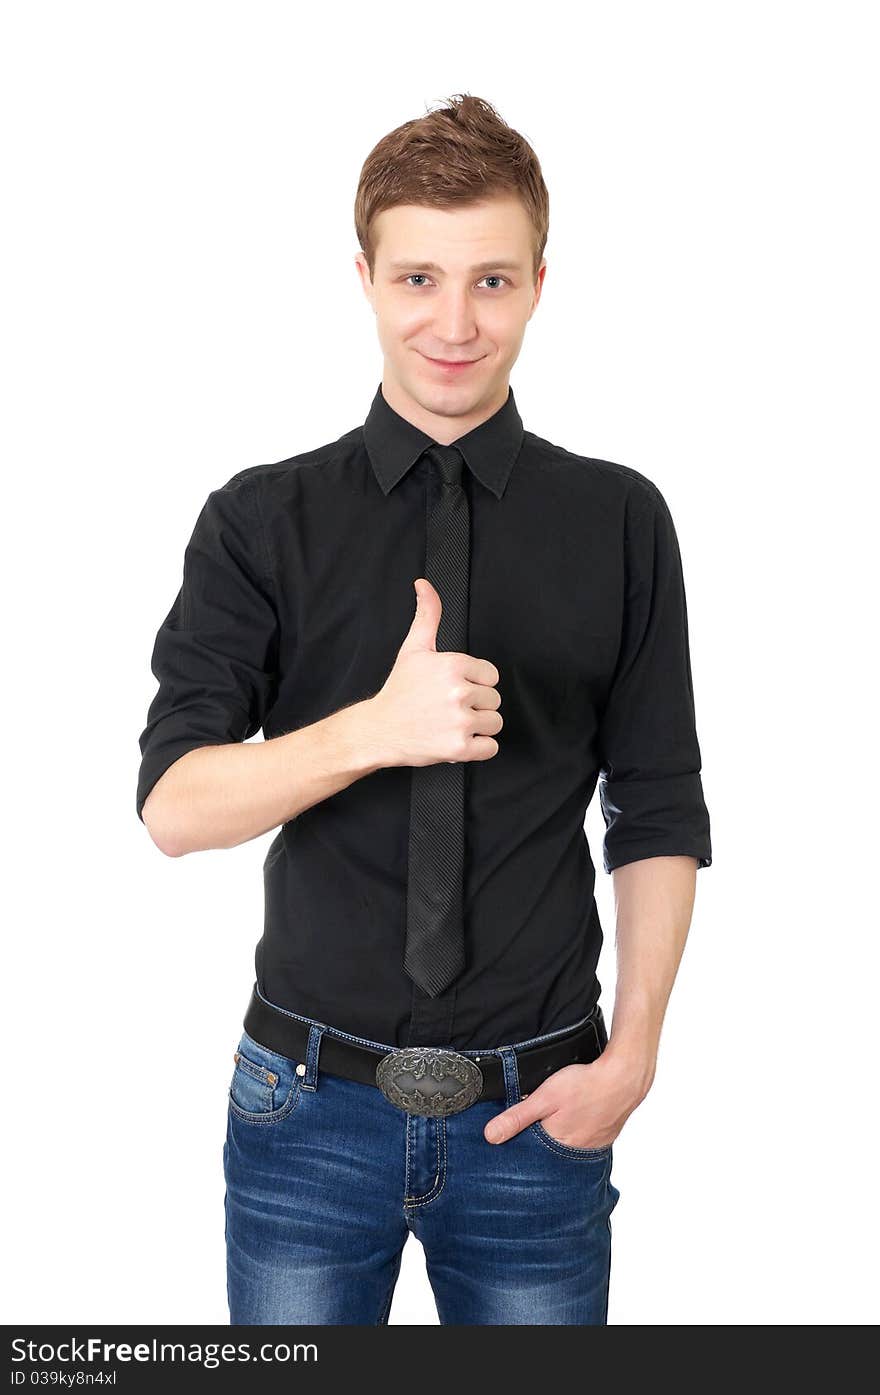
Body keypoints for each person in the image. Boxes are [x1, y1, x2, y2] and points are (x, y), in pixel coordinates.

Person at [136, 92, 712, 1327]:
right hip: (303, 1116)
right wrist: (371, 732)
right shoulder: (259, 520)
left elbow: (658, 804)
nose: (454, 324)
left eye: (492, 281)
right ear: (364, 278)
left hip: (539, 1118)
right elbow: (175, 810)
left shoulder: (619, 519)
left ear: (541, 284)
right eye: (418, 279)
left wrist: (636, 1053)